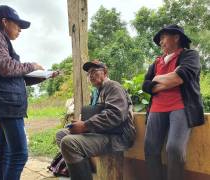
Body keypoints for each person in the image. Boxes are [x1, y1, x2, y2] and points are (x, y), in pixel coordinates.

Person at [0, 5, 55, 180]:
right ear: (4, 21)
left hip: (7, 103)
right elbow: (6, 67)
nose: (20, 29)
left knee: (6, 152)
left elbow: (14, 77)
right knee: (19, 154)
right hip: (6, 104)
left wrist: (44, 76)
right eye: (17, 24)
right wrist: (33, 66)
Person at [142, 24, 204, 180]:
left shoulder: (190, 55)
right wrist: (163, 81)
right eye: (160, 39)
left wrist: (156, 80)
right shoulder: (156, 62)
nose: (161, 42)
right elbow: (146, 85)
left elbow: (180, 77)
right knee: (150, 149)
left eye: (163, 37)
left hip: (181, 107)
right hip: (156, 108)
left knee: (174, 148)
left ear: (176, 37)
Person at [56, 60, 136, 180]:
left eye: (94, 71)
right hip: (103, 132)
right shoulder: (97, 92)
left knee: (69, 143)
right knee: (61, 134)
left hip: (118, 137)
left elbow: (115, 115)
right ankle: (83, 174)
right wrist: (81, 123)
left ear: (104, 72)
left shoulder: (113, 86)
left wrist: (85, 126)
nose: (90, 75)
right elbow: (96, 113)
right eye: (88, 74)